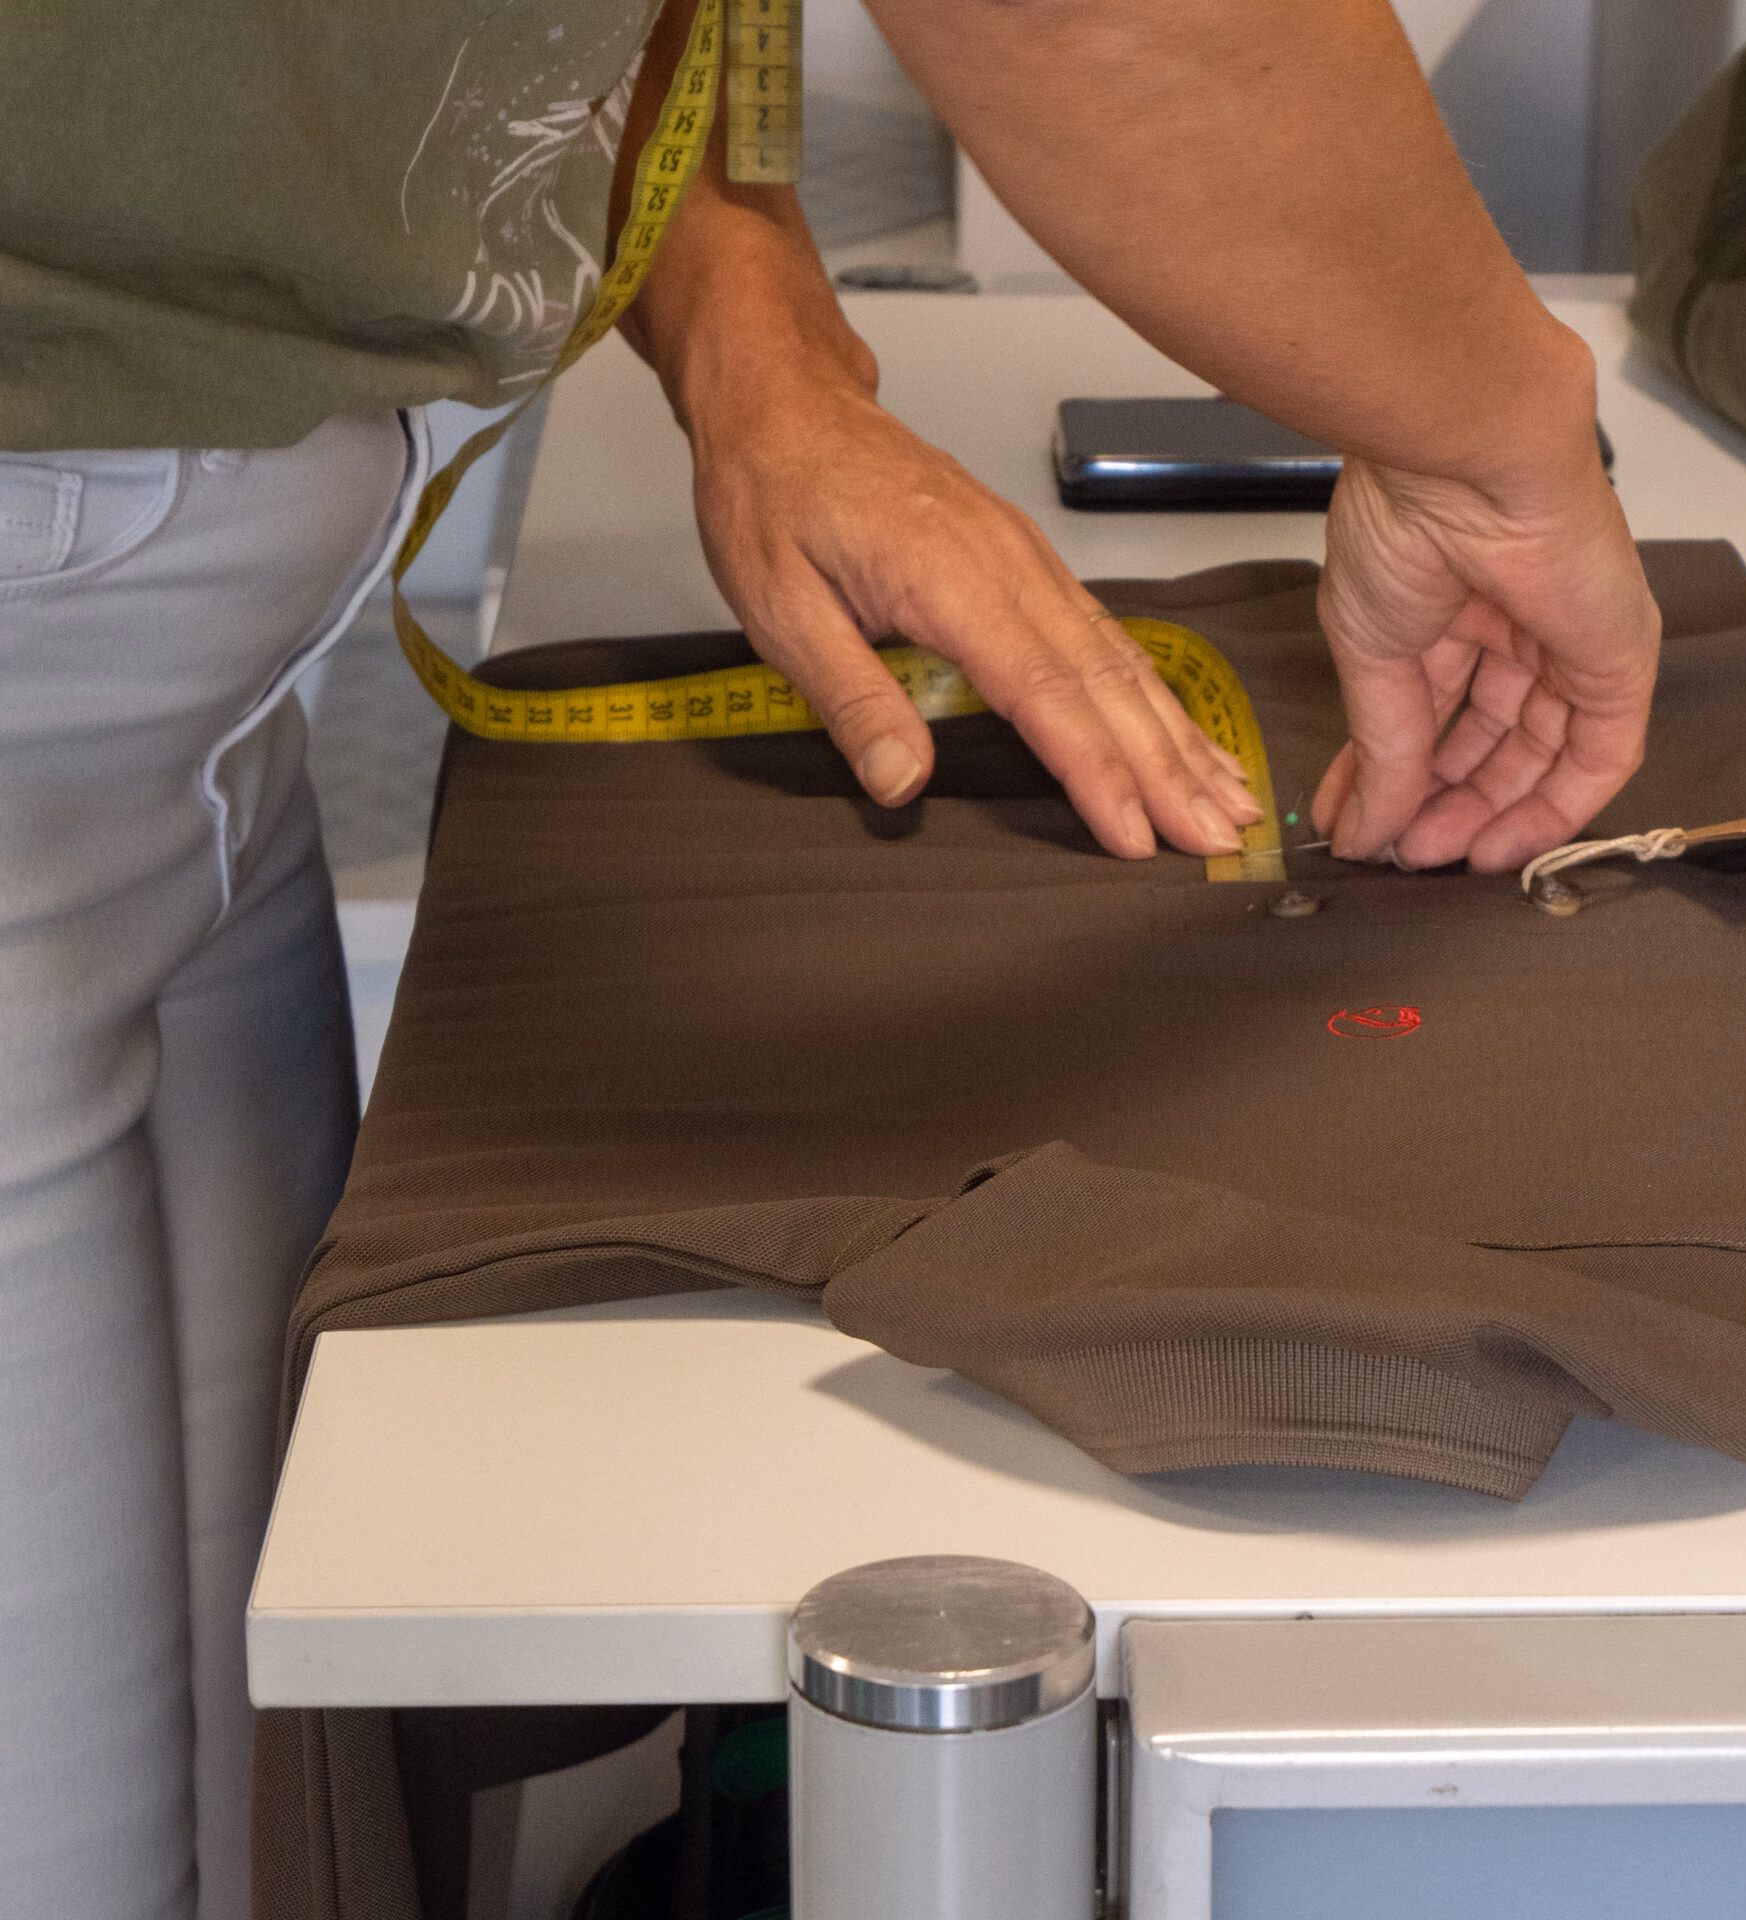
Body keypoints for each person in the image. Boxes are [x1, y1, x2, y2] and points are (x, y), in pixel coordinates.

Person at [0, 2, 1659, 1913]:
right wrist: (1500, 442)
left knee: (276, 1794)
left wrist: (756, 350)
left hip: (162, 695)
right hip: (63, 656)